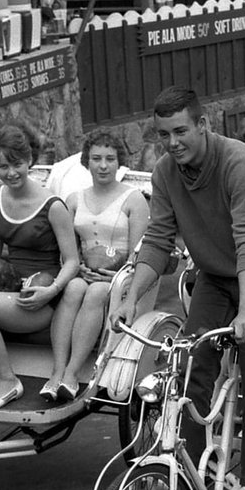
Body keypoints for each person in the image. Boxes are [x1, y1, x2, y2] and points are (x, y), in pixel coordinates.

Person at [115, 86, 245, 490]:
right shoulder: (165, 173)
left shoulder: (241, 163)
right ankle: (186, 481)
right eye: (163, 135)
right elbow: (157, 239)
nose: (172, 142)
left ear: (203, 126)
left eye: (181, 131)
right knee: (190, 374)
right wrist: (131, 299)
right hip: (214, 279)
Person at [0, 123, 82, 409]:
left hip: (39, 299)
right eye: (2, 166)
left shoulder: (53, 206)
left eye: (17, 164)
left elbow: (72, 261)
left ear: (30, 161)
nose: (10, 173)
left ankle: (7, 380)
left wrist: (51, 291)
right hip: (6, 288)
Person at [47, 130, 149, 399]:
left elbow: (138, 253)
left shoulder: (134, 199)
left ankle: (72, 373)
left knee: (94, 292)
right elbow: (67, 248)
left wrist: (115, 276)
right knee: (73, 289)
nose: (103, 166)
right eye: (96, 159)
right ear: (86, 162)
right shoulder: (73, 199)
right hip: (83, 272)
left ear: (119, 163)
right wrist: (76, 266)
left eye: (110, 159)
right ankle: (57, 371)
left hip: (116, 279)